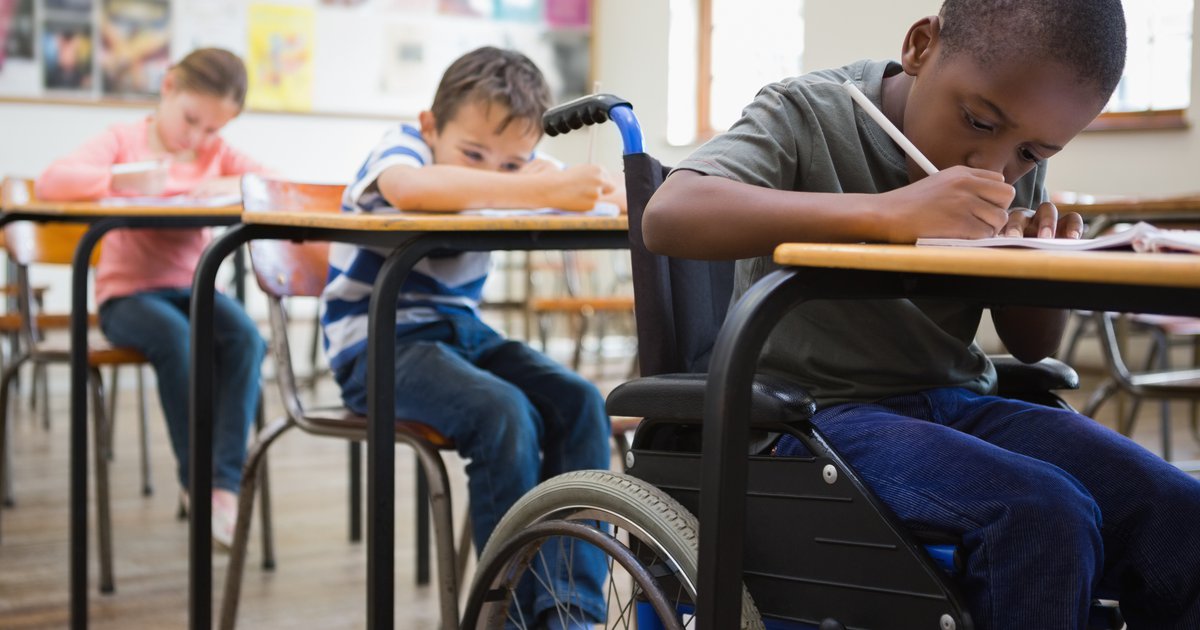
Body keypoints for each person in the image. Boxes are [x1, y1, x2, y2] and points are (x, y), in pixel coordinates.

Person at [644, 1, 1200, 628]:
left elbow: (1029, 344)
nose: (994, 166)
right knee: (1042, 515)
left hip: (957, 405)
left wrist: (1043, 260)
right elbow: (671, 214)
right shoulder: (810, 113)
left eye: (1032, 152)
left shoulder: (1015, 167)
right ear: (919, 46)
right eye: (977, 120)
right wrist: (888, 214)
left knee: (1180, 513)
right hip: (812, 416)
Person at [320, 46, 622, 628]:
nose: (491, 175)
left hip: (463, 334)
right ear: (431, 126)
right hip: (378, 346)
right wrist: (533, 188)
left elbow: (613, 201)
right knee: (503, 412)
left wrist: (591, 187)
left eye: (510, 164)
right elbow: (410, 187)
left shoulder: (525, 173)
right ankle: (503, 616)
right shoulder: (403, 146)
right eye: (472, 154)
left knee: (581, 403)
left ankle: (569, 614)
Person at [36, 48, 267, 550]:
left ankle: (223, 486)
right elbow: (53, 181)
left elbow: (268, 183)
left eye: (213, 129)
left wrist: (205, 180)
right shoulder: (122, 140)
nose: (199, 138)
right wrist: (129, 183)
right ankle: (197, 483)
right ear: (167, 87)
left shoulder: (216, 152)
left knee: (247, 338)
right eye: (191, 120)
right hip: (128, 298)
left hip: (193, 289)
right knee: (178, 342)